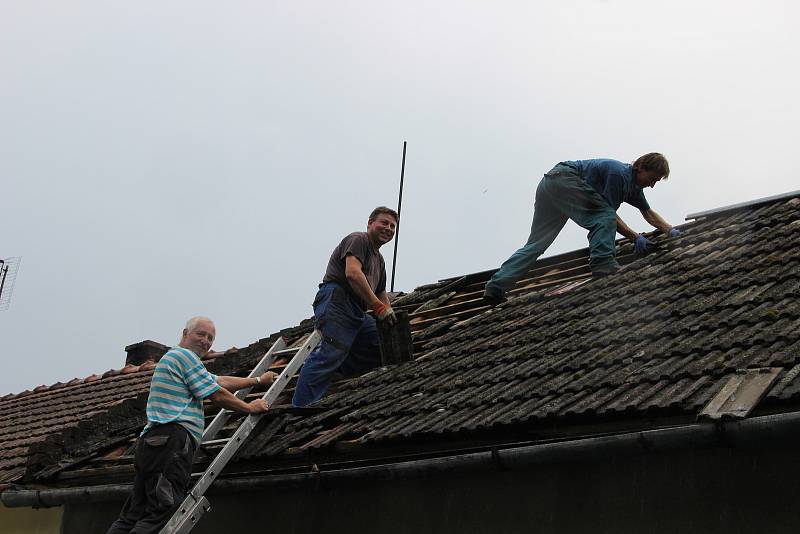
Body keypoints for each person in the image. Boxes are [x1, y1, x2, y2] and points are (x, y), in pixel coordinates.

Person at [106, 316, 278, 534]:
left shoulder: (178, 360)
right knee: (164, 508)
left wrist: (256, 381)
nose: (205, 341)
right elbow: (217, 394)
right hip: (171, 441)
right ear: (185, 333)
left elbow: (219, 381)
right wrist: (249, 407)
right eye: (201, 334)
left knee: (133, 514)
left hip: (151, 444)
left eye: (210, 338)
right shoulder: (185, 356)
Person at [483, 153, 680, 305]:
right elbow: (608, 215)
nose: (652, 185)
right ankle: (603, 264)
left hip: (550, 184)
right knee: (603, 216)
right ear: (639, 167)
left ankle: (496, 287)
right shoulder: (618, 174)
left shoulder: (633, 188)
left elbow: (648, 213)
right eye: (652, 179)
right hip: (566, 179)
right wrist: (635, 237)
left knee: (537, 244)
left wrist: (670, 230)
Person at [292, 206, 399, 407]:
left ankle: (340, 367)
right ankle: (301, 406)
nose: (388, 228)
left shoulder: (380, 261)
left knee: (380, 344)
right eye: (384, 223)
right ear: (370, 223)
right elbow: (353, 273)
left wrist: (390, 315)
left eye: (393, 226)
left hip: (357, 312)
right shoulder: (359, 240)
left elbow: (381, 293)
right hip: (337, 300)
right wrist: (377, 307)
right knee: (330, 351)